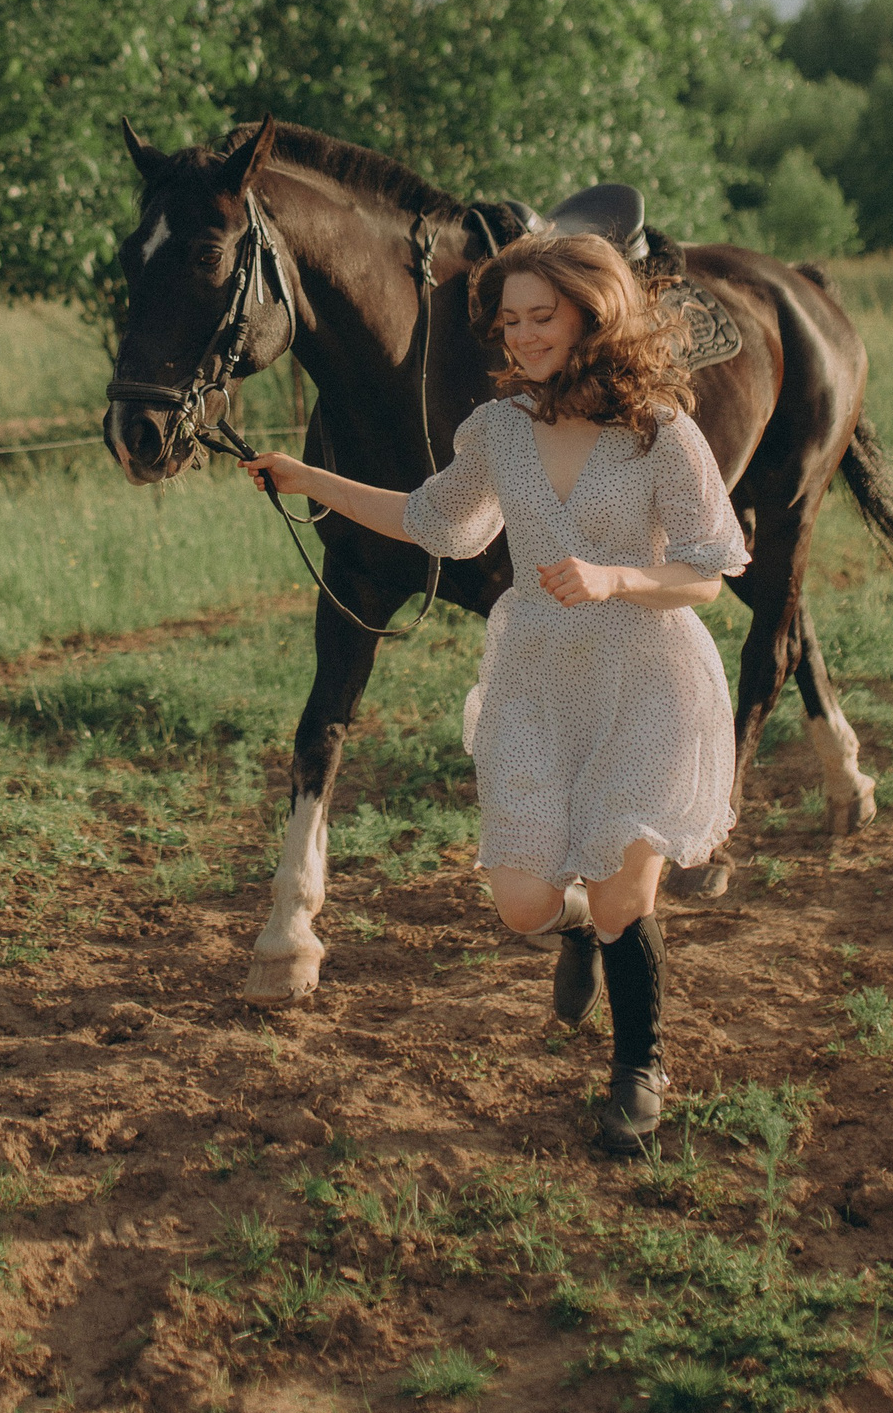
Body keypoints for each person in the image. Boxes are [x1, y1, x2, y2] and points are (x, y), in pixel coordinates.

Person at [248, 231, 746, 1155]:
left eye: (540, 317)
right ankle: (579, 928)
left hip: (645, 676)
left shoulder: (661, 434)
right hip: (536, 680)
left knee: (625, 893)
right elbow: (431, 521)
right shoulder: (499, 432)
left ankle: (639, 1068)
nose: (522, 336)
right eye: (510, 321)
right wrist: (302, 476)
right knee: (522, 903)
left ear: (593, 315)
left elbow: (708, 574)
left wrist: (616, 577)